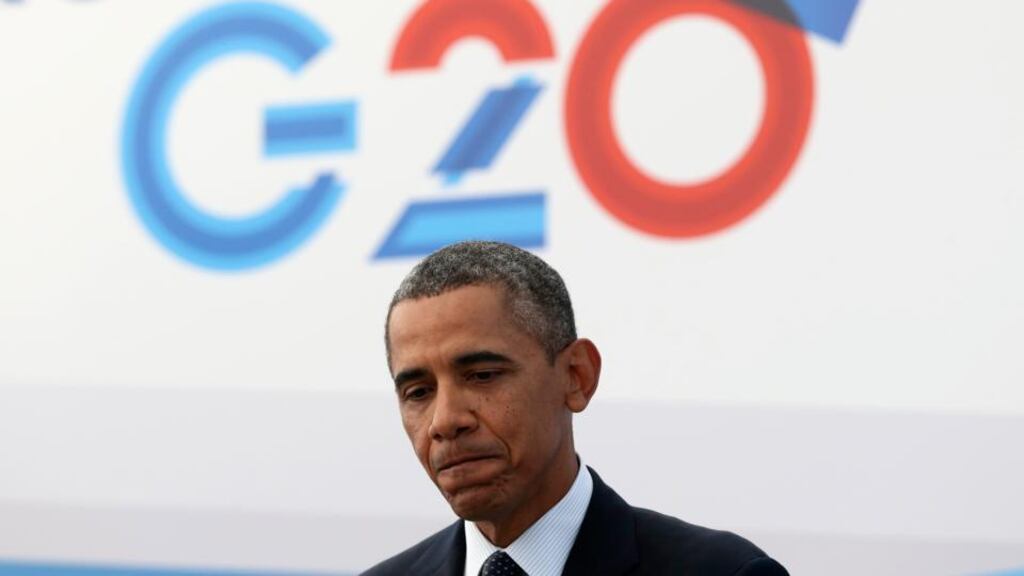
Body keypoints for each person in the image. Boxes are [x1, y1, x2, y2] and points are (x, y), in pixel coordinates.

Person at [363, 241, 787, 576]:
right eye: (418, 392)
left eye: (483, 375)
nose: (445, 421)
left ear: (576, 377)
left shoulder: (723, 571)